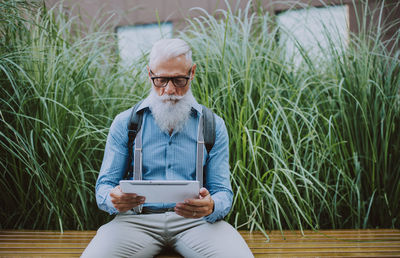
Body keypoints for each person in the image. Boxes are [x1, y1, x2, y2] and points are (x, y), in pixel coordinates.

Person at [81, 38, 253, 258]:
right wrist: (113, 199)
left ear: (192, 72)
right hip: (135, 222)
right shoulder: (126, 123)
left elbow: (223, 192)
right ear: (150, 73)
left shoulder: (212, 124)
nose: (170, 90)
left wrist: (211, 205)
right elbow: (103, 187)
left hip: (196, 223)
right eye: (161, 79)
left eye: (179, 80)